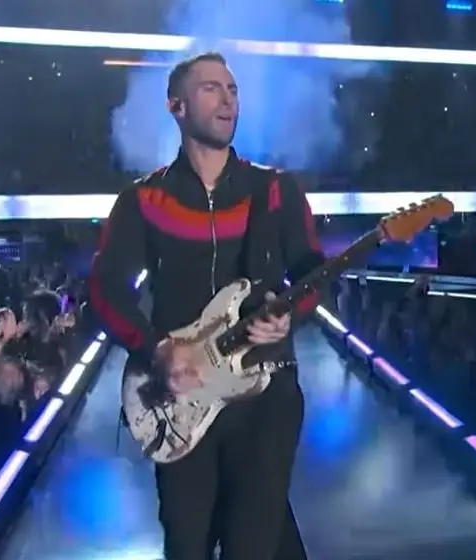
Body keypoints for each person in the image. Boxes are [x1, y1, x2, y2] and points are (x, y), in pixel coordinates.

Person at [89, 52, 325, 560]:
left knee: (250, 544)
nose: (227, 100)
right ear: (176, 105)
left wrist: (290, 313)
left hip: (266, 395)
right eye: (212, 88)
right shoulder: (144, 200)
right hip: (182, 397)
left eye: (233, 89)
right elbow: (105, 290)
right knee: (187, 544)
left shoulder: (276, 191)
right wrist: (156, 350)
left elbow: (312, 273)